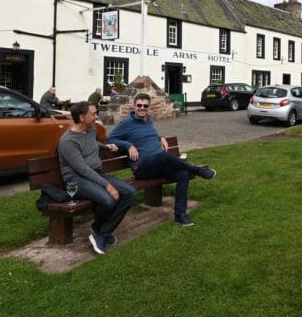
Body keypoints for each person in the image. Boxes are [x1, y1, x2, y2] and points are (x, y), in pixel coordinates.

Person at [107, 93, 216, 226]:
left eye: (145, 106)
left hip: (158, 166)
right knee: (164, 156)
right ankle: (198, 170)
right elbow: (109, 139)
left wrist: (160, 137)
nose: (142, 108)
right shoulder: (126, 123)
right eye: (139, 105)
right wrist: (128, 145)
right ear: (134, 106)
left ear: (149, 107)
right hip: (142, 168)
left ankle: (180, 215)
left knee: (183, 174)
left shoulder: (149, 120)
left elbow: (149, 135)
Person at [58, 101, 137, 254]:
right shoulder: (67, 141)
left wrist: (105, 146)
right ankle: (100, 231)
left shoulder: (90, 131)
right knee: (107, 199)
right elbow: (82, 169)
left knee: (130, 193)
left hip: (96, 174)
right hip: (77, 179)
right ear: (82, 117)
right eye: (93, 114)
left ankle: (101, 231)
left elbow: (91, 143)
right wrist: (108, 186)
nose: (96, 117)